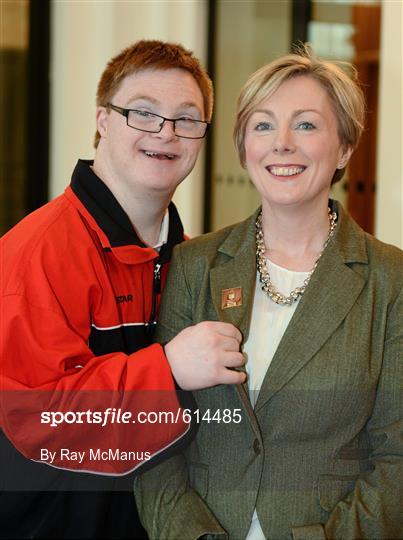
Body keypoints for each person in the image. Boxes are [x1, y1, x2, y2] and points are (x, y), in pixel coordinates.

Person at [136, 46, 403, 539]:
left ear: (344, 147)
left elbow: (397, 457)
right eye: (262, 125)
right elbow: (156, 433)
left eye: (305, 125)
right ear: (244, 149)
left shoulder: (390, 280)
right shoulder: (195, 265)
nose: (281, 143)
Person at [0, 40, 245, 539]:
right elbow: (40, 423)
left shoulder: (192, 260)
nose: (166, 132)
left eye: (187, 118)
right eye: (143, 113)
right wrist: (169, 369)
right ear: (102, 121)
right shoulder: (37, 253)